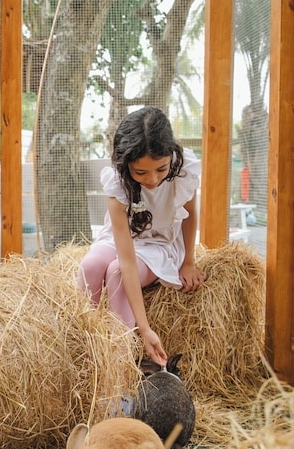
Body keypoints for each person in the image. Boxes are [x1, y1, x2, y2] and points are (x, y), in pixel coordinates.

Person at [77, 106, 206, 366]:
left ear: (171, 155)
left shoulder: (183, 169)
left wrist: (188, 261)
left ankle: (120, 363)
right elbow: (126, 255)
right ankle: (84, 346)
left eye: (160, 169)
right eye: (141, 173)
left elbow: (190, 214)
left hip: (160, 241)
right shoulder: (117, 182)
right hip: (122, 238)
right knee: (90, 265)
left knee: (115, 274)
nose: (153, 180)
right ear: (126, 166)